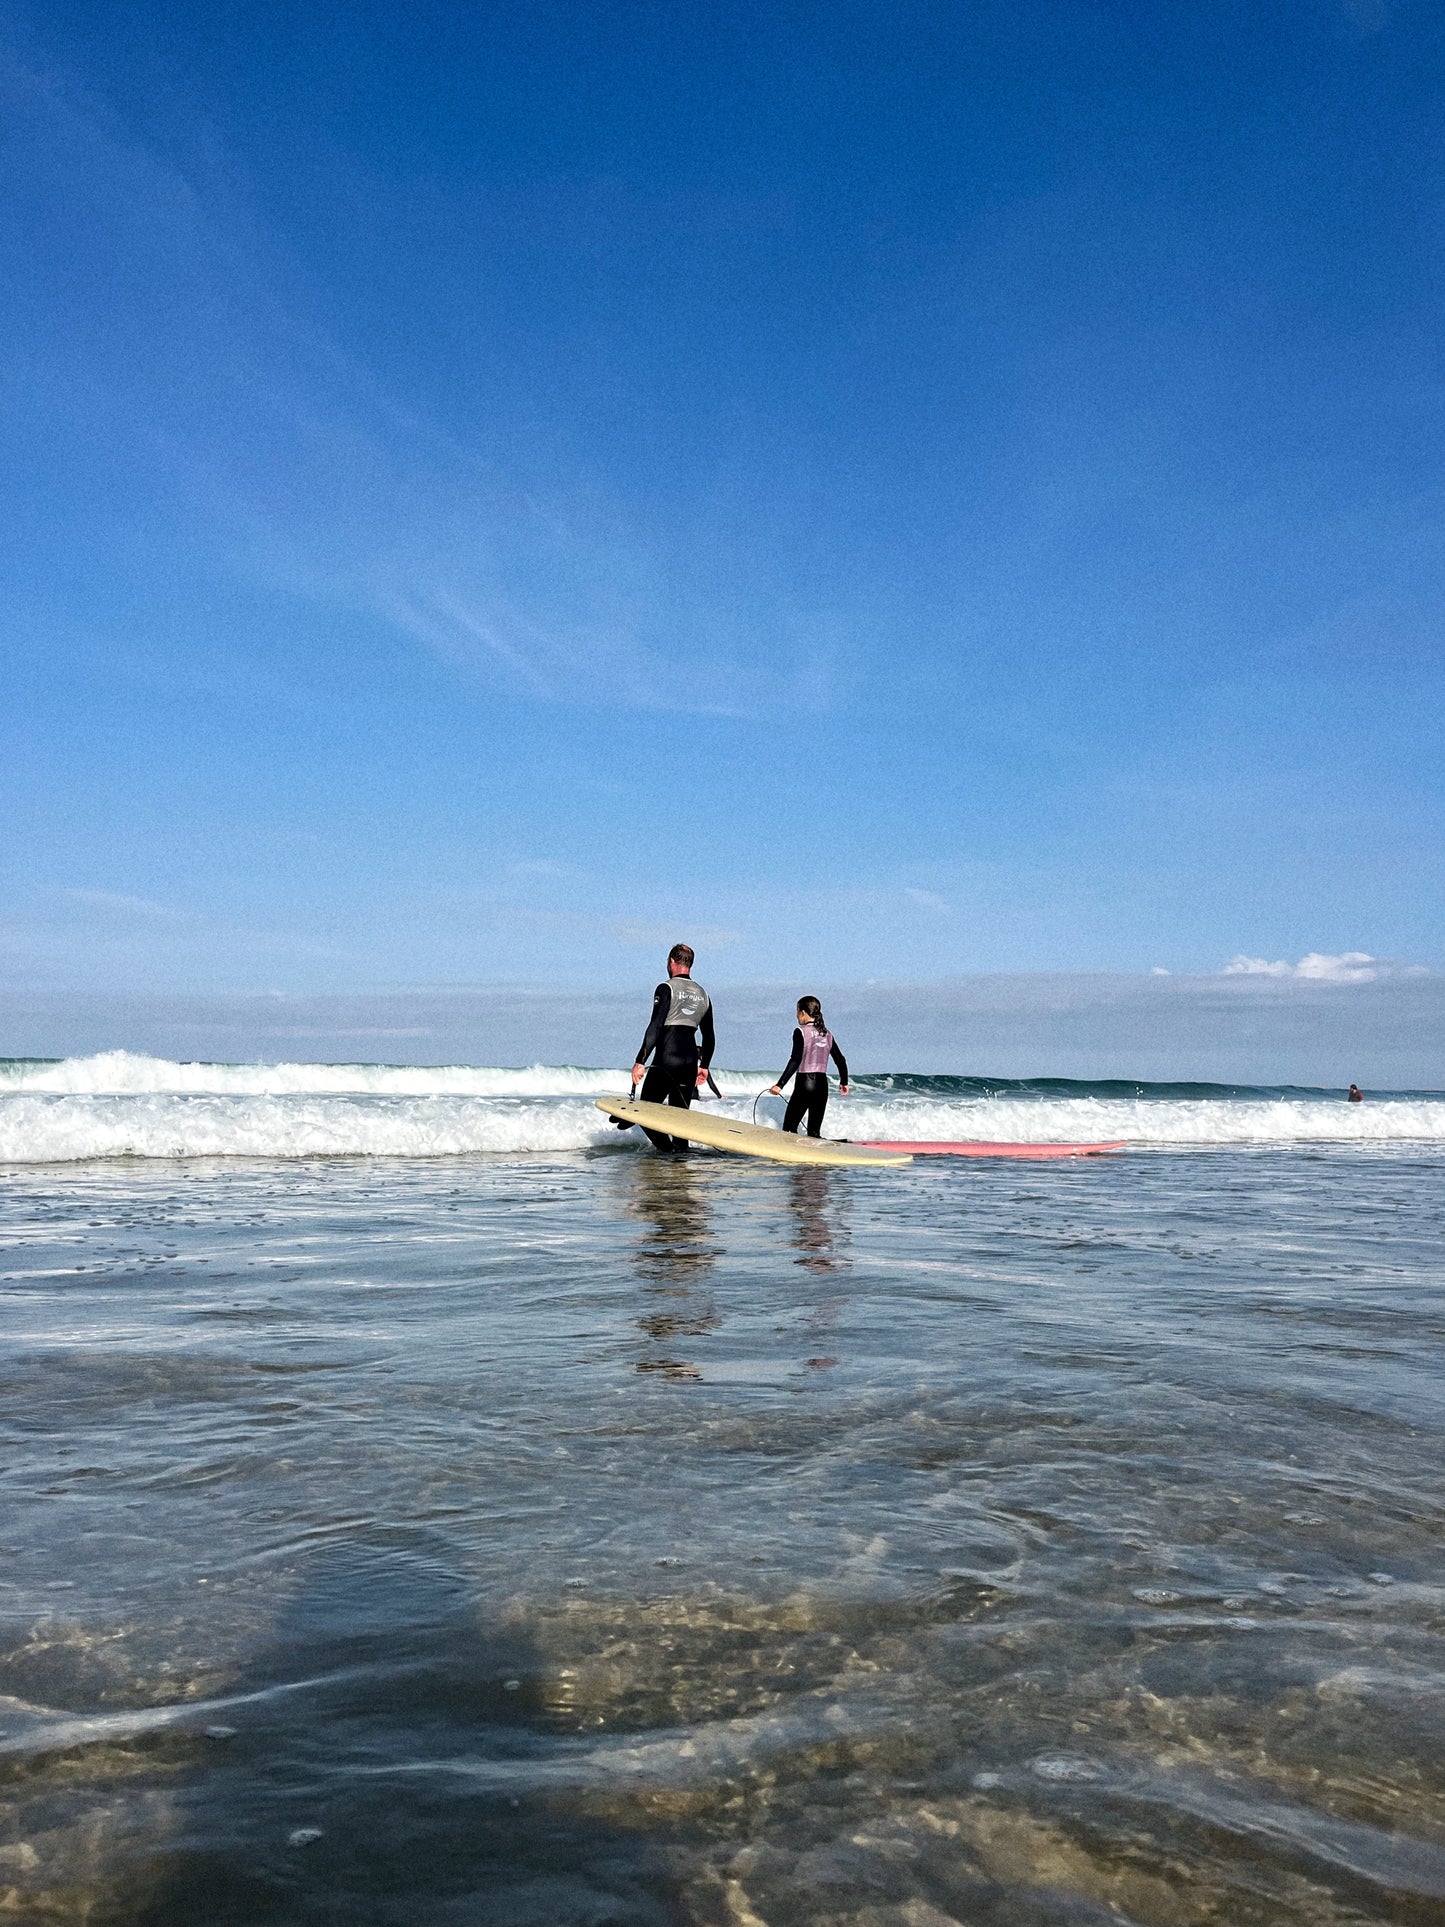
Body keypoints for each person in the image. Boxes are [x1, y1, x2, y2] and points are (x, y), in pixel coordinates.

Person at [628, 943, 716, 1152]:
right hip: (688, 1063)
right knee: (680, 1121)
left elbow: (656, 1026)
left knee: (645, 1113)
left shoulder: (666, 988)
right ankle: (680, 1166)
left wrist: (641, 1060)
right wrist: (704, 1065)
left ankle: (669, 1152)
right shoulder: (703, 994)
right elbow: (709, 1035)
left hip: (666, 1061)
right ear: (690, 964)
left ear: (671, 962)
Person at [769, 996, 850, 1138]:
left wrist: (780, 1084)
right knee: (814, 1133)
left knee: (789, 1129)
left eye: (797, 1011)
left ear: (803, 1012)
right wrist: (844, 1082)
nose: (796, 1016)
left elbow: (795, 1059)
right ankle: (814, 1159)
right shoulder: (827, 1034)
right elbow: (841, 1060)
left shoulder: (800, 1031)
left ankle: (790, 1158)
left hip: (805, 1084)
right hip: (822, 1086)